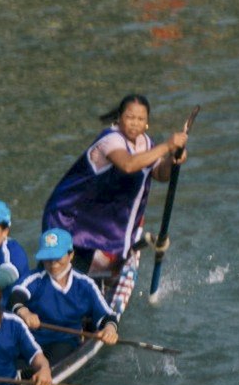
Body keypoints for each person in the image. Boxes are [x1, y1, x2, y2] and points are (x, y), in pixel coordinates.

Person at [42, 94, 188, 276]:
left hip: (96, 224)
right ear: (119, 118)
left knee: (78, 274)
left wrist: (172, 161)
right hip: (69, 218)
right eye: (130, 117)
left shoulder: (146, 143)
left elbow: (160, 174)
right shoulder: (110, 140)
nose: (135, 123)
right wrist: (167, 146)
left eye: (140, 119)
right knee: (58, 274)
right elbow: (128, 165)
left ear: (147, 123)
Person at [11, 228, 121, 359]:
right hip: (30, 340)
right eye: (48, 258)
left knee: (59, 352)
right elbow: (16, 296)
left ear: (71, 255)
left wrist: (110, 329)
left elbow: (107, 316)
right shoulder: (35, 278)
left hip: (65, 342)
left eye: (58, 258)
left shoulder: (85, 284)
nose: (53, 264)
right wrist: (24, 311)